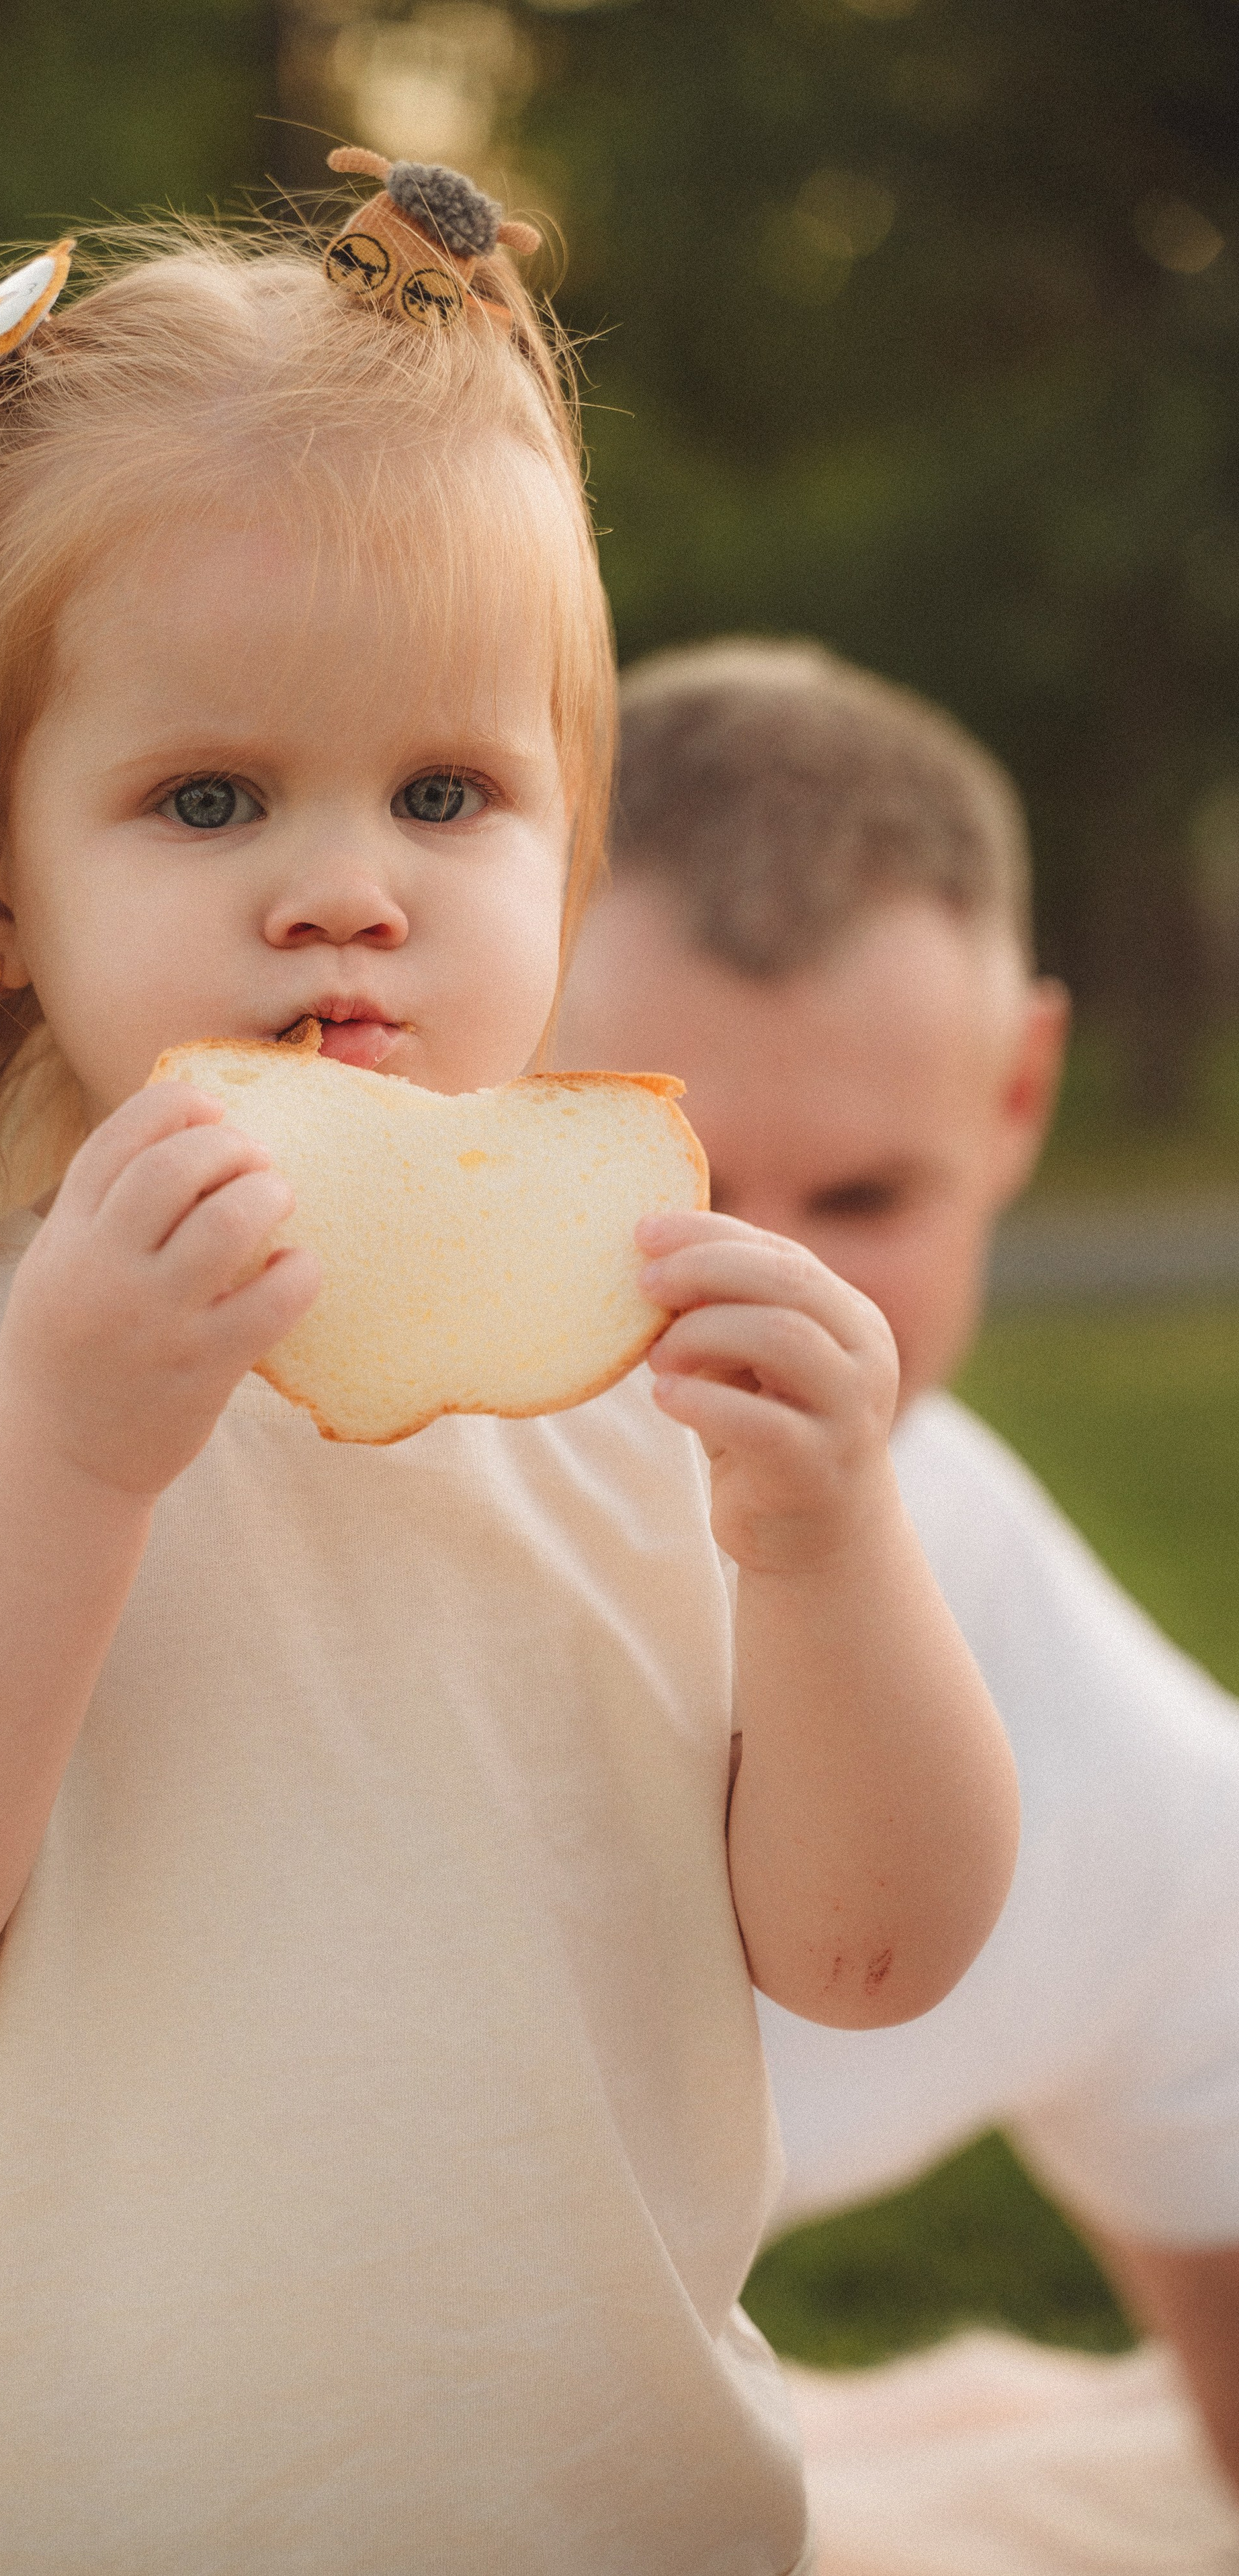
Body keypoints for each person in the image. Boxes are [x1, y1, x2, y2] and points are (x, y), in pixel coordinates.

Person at [0, 182, 1015, 2570]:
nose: (347, 889)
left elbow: (874, 1952)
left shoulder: (640, 1354)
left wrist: (829, 1546)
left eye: (447, 793)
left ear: (570, 840)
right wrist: (71, 1457)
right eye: (208, 798)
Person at [555, 636, 1239, 2520]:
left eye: (863, 1200)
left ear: (1018, 1092)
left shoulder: (1115, 1773)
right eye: (673, 1175)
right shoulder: (216, 1472)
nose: (763, 1303)